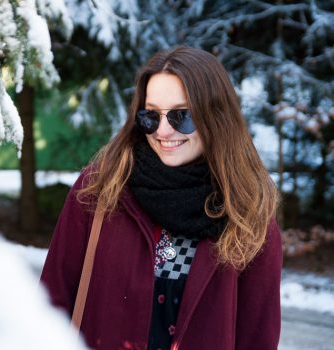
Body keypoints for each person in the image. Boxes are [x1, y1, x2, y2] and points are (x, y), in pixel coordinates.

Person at [40, 46, 282, 350]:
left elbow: (257, 337)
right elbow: (50, 305)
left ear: (215, 116)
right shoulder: (100, 188)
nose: (163, 131)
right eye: (151, 115)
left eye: (182, 116)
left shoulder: (248, 210)